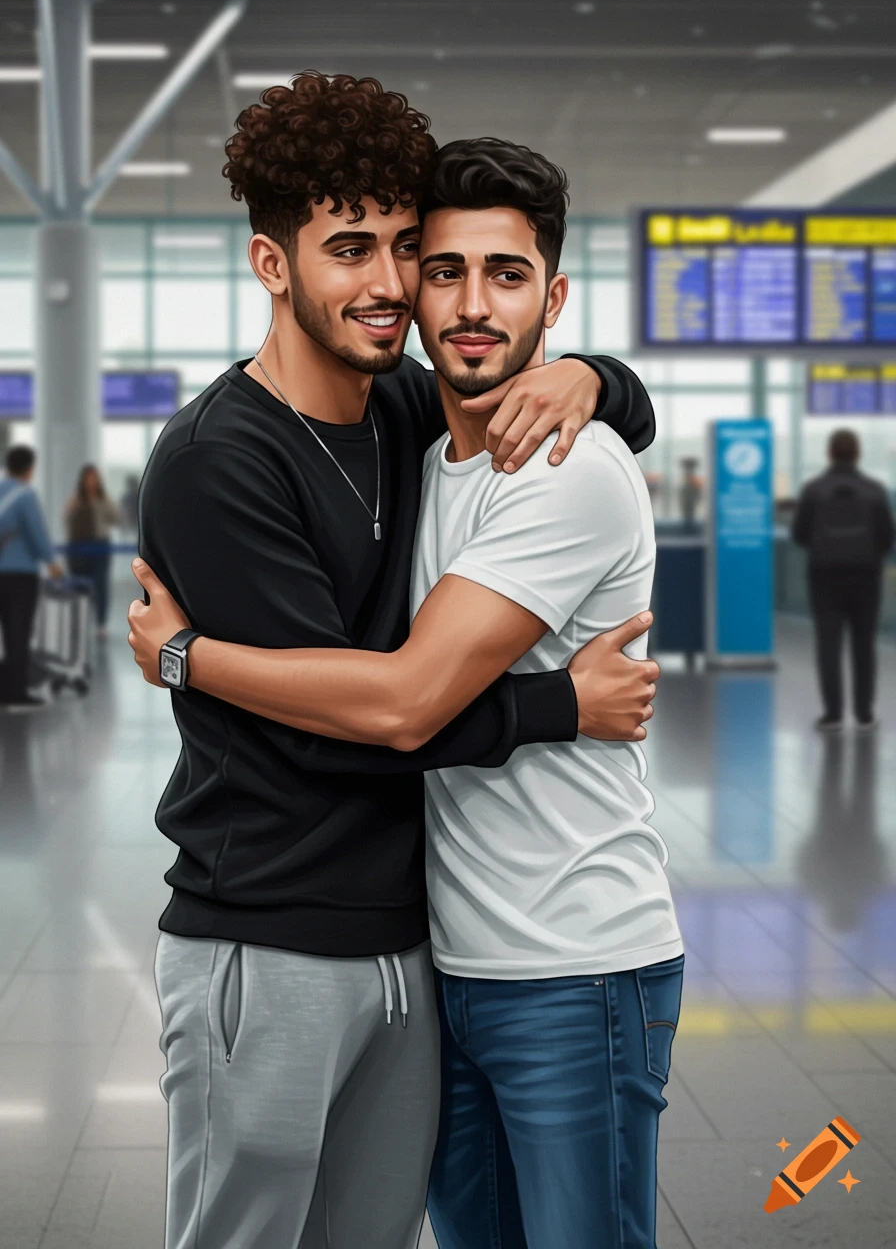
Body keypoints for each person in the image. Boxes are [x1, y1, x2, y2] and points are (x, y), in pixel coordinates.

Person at [129, 74, 659, 1249]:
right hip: (262, 939)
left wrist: (594, 378)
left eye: (403, 247)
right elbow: (366, 716)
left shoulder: (403, 408)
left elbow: (525, 379)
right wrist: (553, 705)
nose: (386, 284)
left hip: (407, 947)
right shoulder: (219, 458)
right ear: (274, 264)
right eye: (349, 248)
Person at [792, 428, 895, 732]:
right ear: (857, 454)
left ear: (830, 453)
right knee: (864, 645)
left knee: (828, 645)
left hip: (824, 577)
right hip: (866, 577)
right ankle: (864, 713)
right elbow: (888, 537)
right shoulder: (875, 490)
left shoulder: (814, 489)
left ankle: (833, 714)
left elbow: (799, 534)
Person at [0, 445, 63, 712]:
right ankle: (15, 692)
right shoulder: (25, 495)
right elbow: (36, 533)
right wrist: (51, 562)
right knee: (18, 633)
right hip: (20, 575)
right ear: (29, 469)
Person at [65, 464, 120, 638]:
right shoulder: (76, 499)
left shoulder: (103, 499)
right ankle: (79, 623)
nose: (92, 481)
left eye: (95, 477)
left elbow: (116, 518)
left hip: (100, 547)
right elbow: (67, 520)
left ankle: (101, 624)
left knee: (101, 587)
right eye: (89, 477)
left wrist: (102, 506)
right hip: (79, 549)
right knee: (78, 587)